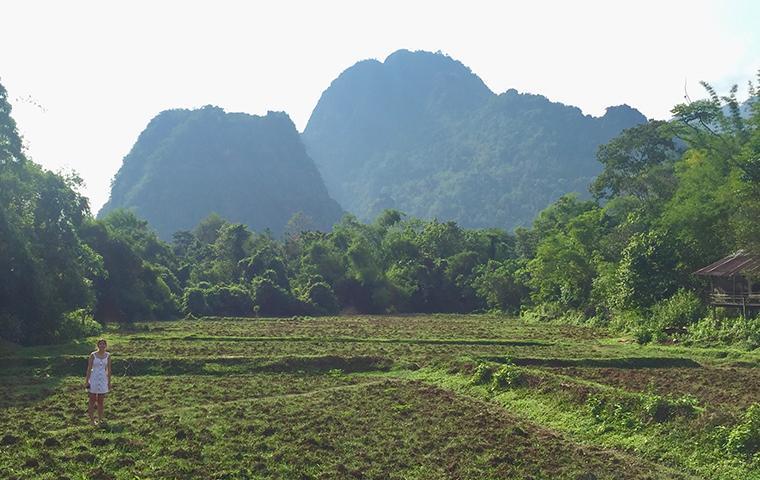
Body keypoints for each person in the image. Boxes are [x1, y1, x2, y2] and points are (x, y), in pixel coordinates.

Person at [84, 339, 111, 425]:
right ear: (98, 345)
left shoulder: (108, 355)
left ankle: (100, 419)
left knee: (101, 401)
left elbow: (109, 369)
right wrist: (87, 381)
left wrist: (109, 382)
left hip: (103, 379)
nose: (102, 346)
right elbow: (89, 368)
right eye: (100, 344)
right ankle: (92, 420)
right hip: (94, 378)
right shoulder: (93, 355)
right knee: (92, 399)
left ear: (106, 346)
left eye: (104, 344)